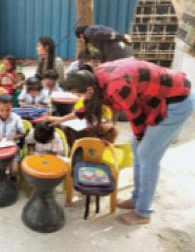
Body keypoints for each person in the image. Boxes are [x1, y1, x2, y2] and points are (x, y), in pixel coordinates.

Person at [48, 58, 194, 225]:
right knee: (137, 148)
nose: (78, 97)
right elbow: (88, 107)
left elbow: (136, 116)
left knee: (147, 156)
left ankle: (143, 212)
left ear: (88, 88)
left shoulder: (116, 86)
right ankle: (137, 198)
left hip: (176, 102)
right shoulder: (94, 79)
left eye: (79, 94)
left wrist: (140, 138)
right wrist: (61, 119)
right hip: (155, 99)